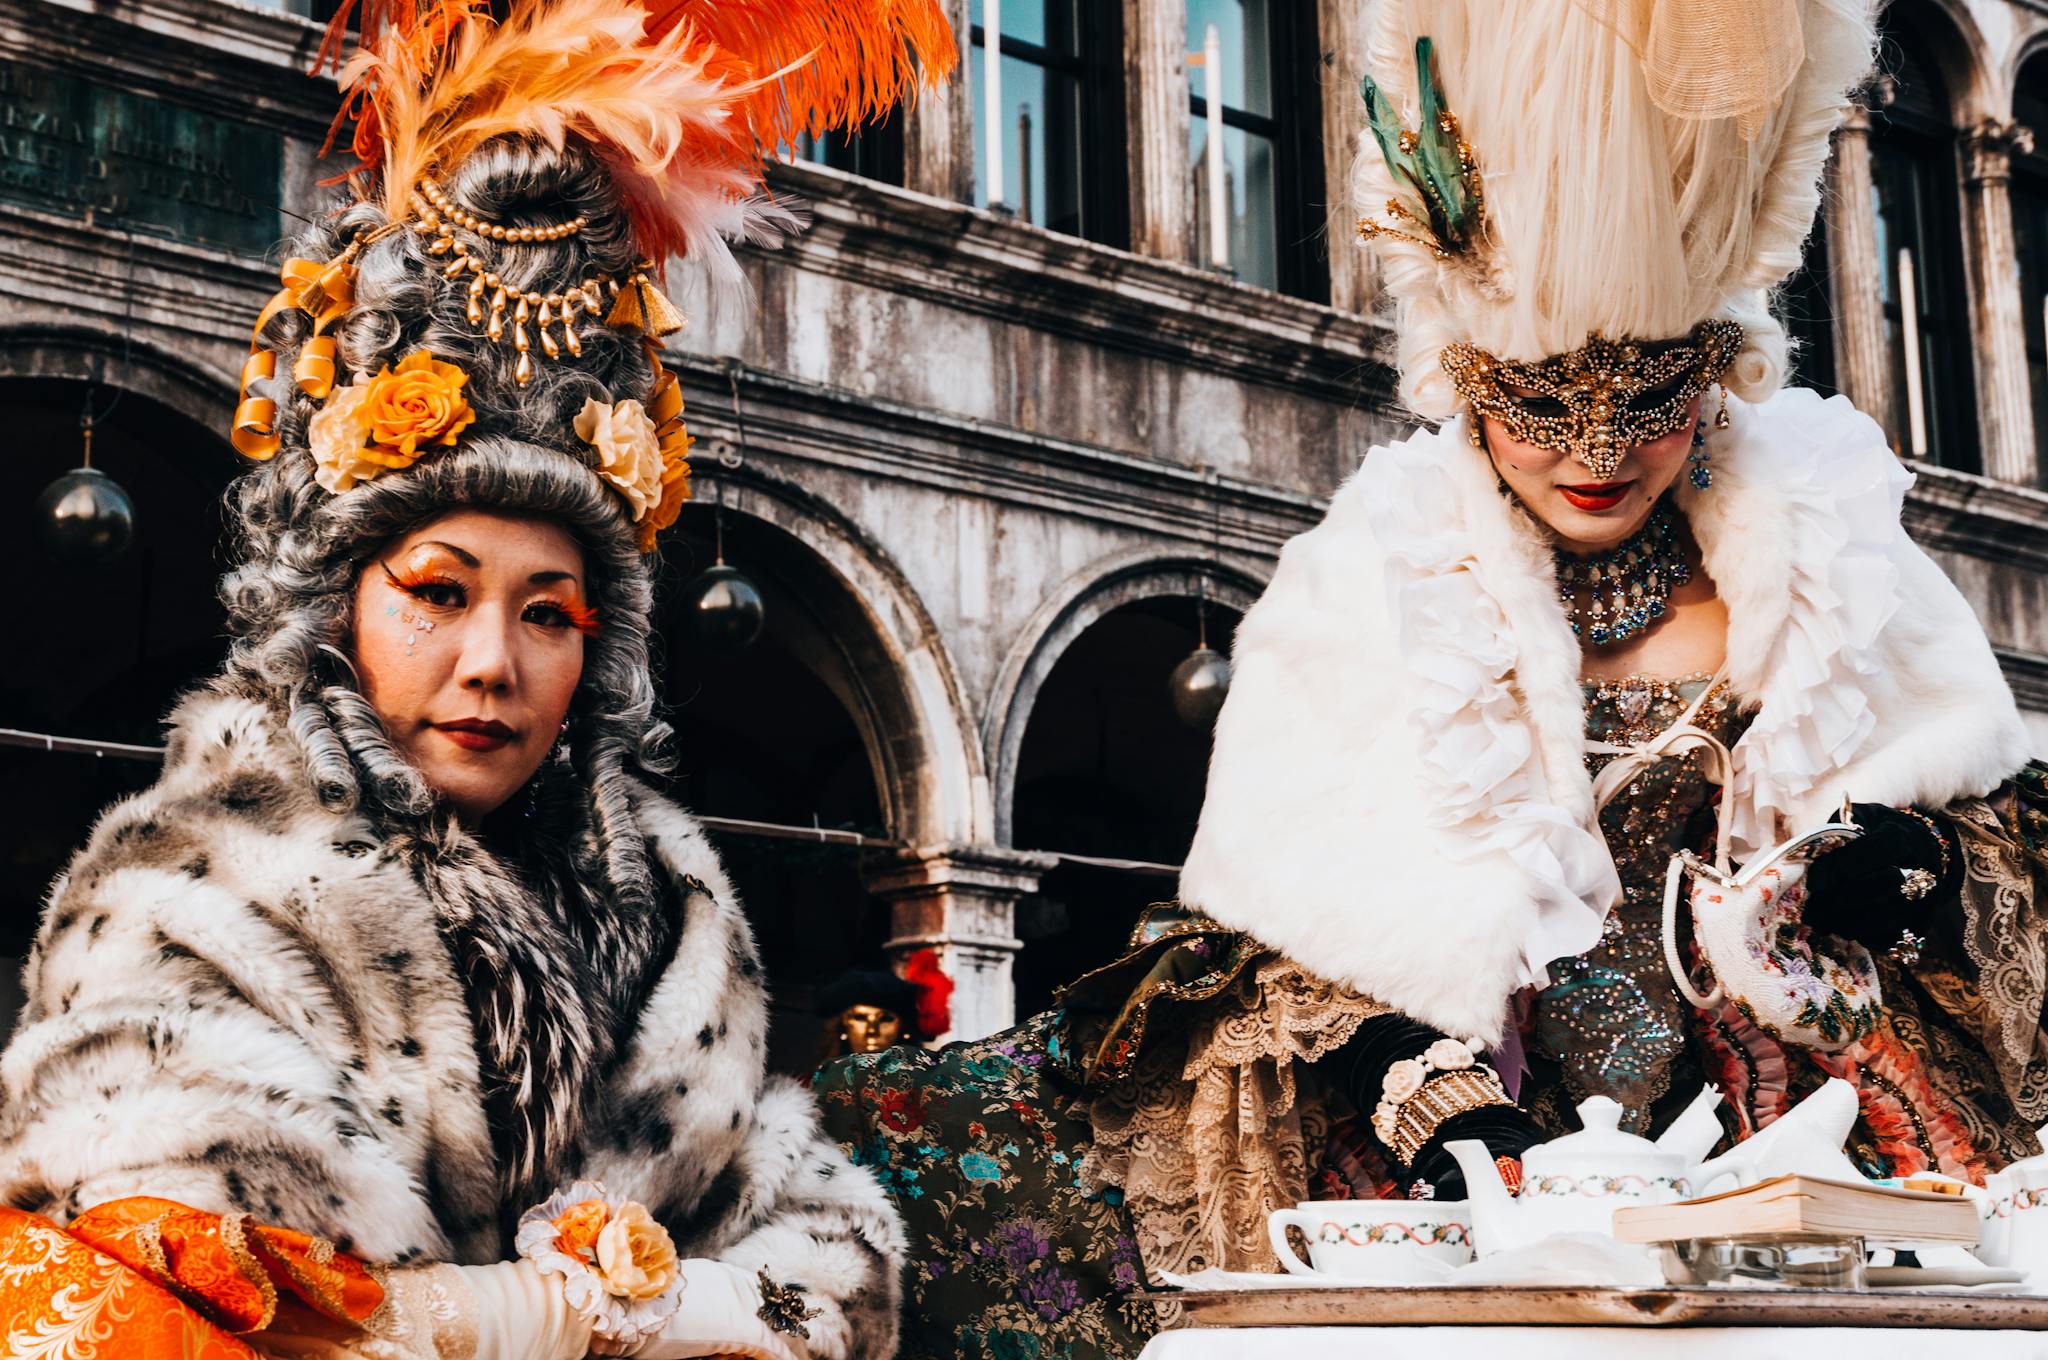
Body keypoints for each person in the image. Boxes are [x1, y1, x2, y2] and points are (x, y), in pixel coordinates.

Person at [815, 2, 2048, 1356]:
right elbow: (1286, 927)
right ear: (1462, 385)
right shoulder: (1371, 581)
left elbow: (1989, 854)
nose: (1595, 447)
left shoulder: (1835, 563)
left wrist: (1907, 861)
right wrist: (1421, 1087)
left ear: (1716, 372)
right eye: (1535, 401)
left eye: (1644, 393)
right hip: (1459, 1153)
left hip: (1789, 1135)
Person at [0, 1, 953, 1355]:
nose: (494, 662)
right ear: (335, 608)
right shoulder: (176, 907)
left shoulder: (680, 926)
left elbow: (842, 1278)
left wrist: (655, 1307)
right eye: (438, 594)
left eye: (552, 614)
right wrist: (553, 1315)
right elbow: (180, 1306)